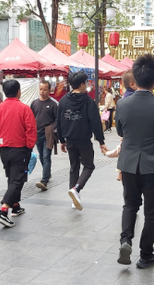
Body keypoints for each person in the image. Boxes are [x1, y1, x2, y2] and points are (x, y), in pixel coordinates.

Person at [115, 54, 154, 269]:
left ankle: (125, 240)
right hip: (153, 166)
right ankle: (146, 254)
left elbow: (121, 131)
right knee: (151, 213)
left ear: (135, 78)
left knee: (130, 205)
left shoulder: (122, 104)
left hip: (129, 164)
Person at [0, 80, 37, 228]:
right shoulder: (24, 109)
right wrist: (29, 146)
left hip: (4, 150)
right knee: (17, 180)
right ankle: (3, 211)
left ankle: (15, 205)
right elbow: (31, 130)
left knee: (12, 177)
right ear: (18, 91)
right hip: (20, 149)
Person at [57, 71, 108, 211]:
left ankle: (74, 198)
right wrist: (101, 141)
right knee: (89, 166)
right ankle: (77, 188)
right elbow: (95, 122)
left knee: (74, 167)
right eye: (86, 83)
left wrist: (62, 140)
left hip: (70, 140)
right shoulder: (88, 101)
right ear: (81, 84)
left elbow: (59, 122)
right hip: (84, 140)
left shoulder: (63, 101)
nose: (87, 85)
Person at [30, 80, 58, 191]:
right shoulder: (34, 103)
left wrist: (52, 128)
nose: (42, 92)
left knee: (46, 156)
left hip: (48, 134)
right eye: (41, 89)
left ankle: (44, 180)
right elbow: (30, 117)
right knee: (41, 156)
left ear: (49, 90)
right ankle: (48, 172)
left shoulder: (53, 104)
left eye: (45, 89)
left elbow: (57, 119)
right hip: (37, 134)